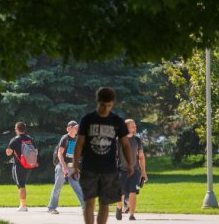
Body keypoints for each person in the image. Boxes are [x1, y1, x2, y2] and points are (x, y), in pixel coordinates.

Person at [72, 87, 135, 224]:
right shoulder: (87, 119)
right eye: (103, 105)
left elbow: (125, 145)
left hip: (109, 169)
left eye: (109, 106)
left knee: (105, 204)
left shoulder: (117, 121)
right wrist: (75, 165)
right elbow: (79, 143)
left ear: (112, 104)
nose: (105, 109)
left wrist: (130, 164)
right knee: (89, 203)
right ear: (97, 101)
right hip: (89, 167)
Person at [47, 121, 85, 214]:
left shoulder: (77, 139)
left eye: (77, 128)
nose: (76, 129)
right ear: (69, 128)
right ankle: (51, 208)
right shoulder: (65, 138)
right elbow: (60, 154)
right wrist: (64, 168)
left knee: (78, 187)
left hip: (72, 168)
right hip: (62, 167)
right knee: (57, 188)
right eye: (74, 127)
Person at [116, 119, 147, 221]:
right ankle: (119, 208)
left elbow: (141, 156)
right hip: (121, 170)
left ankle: (132, 214)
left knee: (133, 192)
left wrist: (143, 171)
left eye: (135, 125)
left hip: (134, 171)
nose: (135, 127)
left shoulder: (137, 140)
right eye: (132, 125)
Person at [6, 122, 38, 212]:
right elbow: (36, 151)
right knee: (21, 184)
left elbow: (8, 153)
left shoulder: (15, 140)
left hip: (19, 165)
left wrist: (7, 150)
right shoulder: (30, 139)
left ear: (17, 129)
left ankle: (23, 206)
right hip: (29, 165)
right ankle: (22, 204)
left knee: (21, 185)